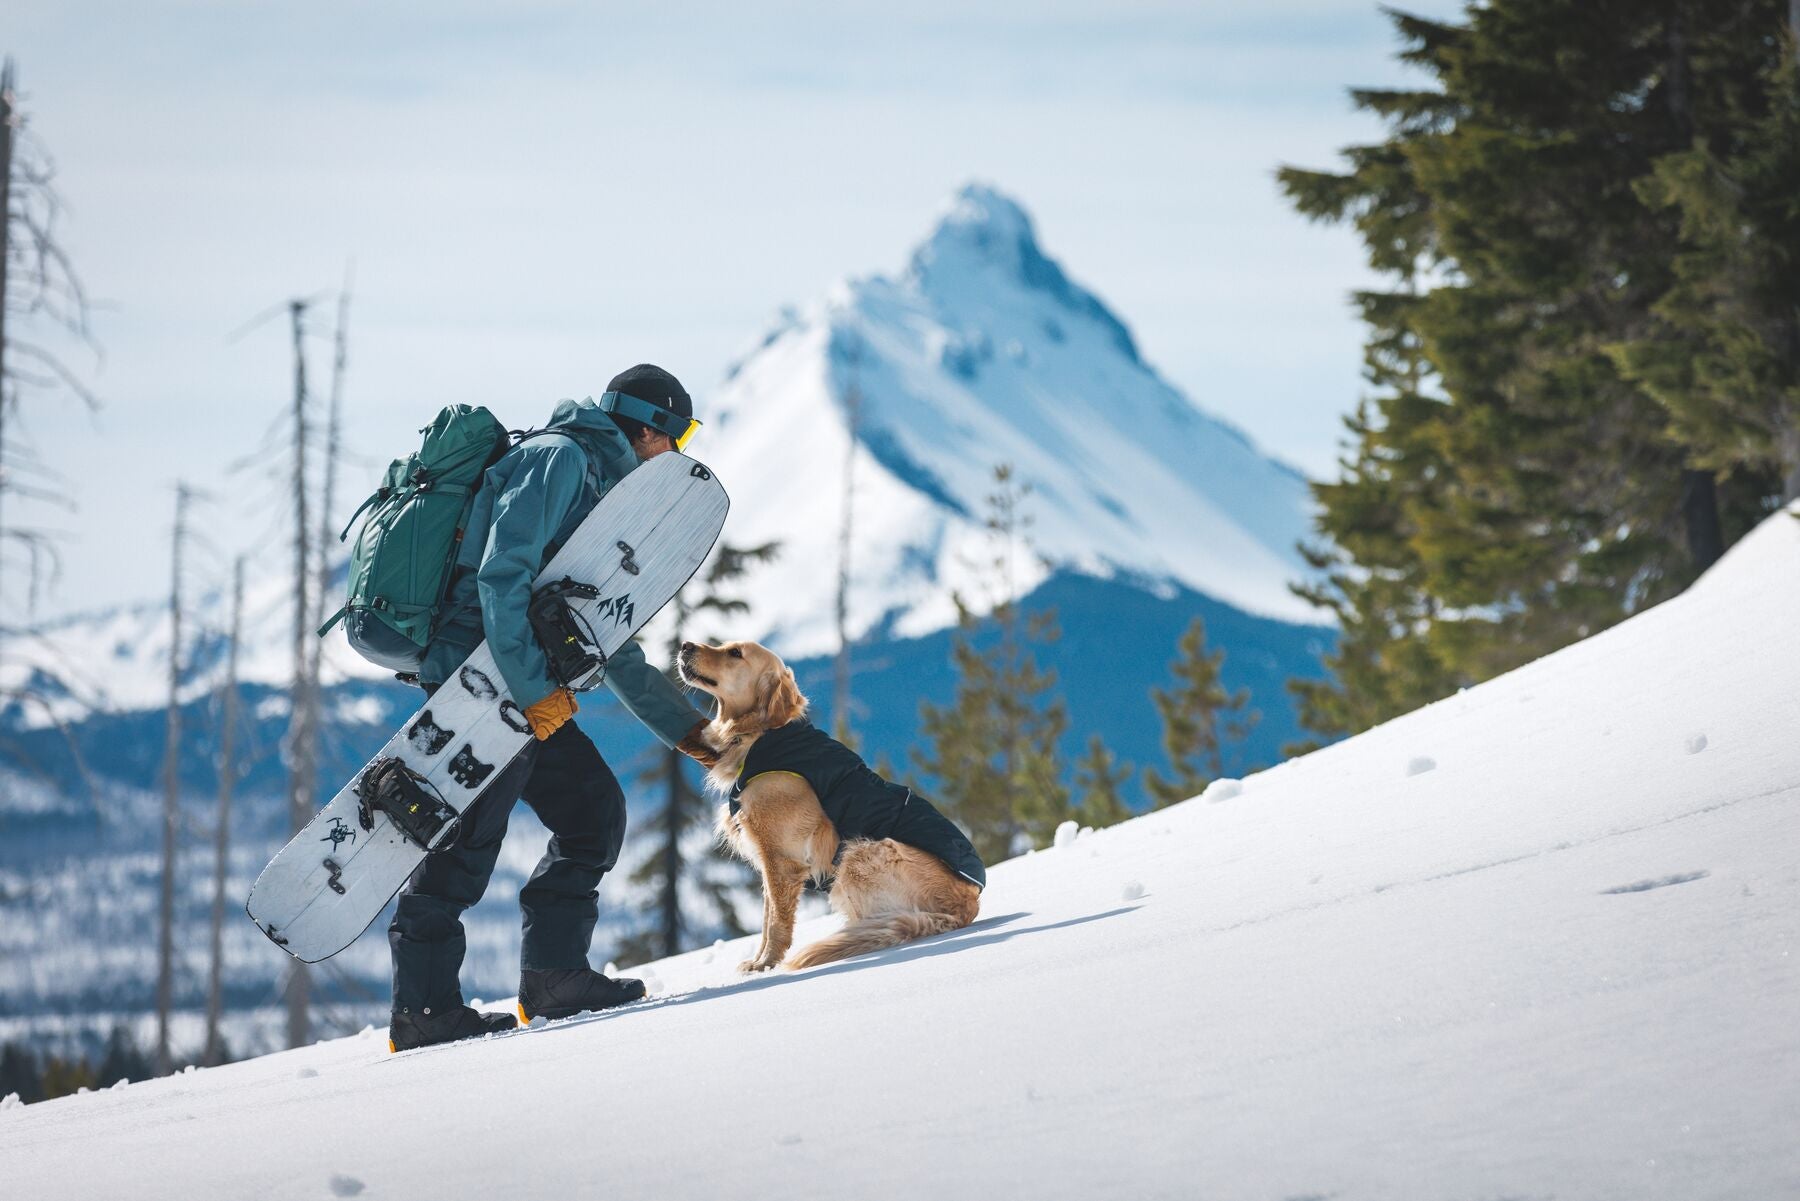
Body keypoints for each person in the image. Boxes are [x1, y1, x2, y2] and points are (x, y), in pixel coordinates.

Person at [387, 364, 718, 1051]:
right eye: (678, 434)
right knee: (469, 838)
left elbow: (607, 642)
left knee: (593, 812)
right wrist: (537, 695)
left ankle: (553, 976)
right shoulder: (559, 460)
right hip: (478, 682)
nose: (677, 452)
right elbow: (499, 578)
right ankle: (423, 1010)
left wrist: (690, 730)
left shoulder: (602, 491)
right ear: (648, 427)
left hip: (526, 684)